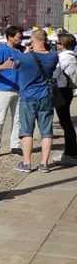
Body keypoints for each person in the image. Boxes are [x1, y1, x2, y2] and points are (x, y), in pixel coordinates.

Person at [14, 30, 58, 172]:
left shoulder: (24, 57)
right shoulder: (53, 57)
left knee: (27, 131)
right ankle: (44, 164)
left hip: (28, 97)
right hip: (46, 96)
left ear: (32, 40)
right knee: (46, 131)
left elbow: (14, 66)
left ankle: (27, 163)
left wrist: (26, 52)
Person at [0, 26, 24, 157]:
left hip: (19, 90)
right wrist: (3, 66)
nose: (20, 40)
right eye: (18, 37)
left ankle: (15, 145)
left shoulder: (20, 51)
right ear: (10, 37)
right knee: (0, 119)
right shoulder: (1, 50)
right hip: (4, 89)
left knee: (17, 119)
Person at [53, 33, 77, 165]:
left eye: (58, 43)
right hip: (67, 90)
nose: (56, 45)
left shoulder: (63, 57)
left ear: (63, 45)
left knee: (65, 123)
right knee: (66, 122)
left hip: (62, 90)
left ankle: (71, 152)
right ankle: (71, 150)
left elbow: (55, 73)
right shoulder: (73, 56)